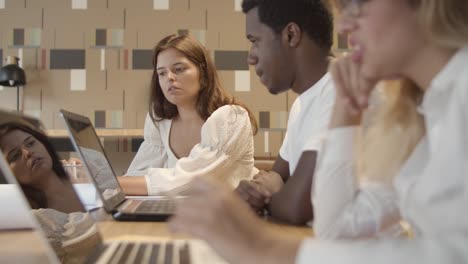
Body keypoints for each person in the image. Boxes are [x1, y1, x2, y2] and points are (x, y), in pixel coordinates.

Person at [169, 0, 468, 263]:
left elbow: (454, 254)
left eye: (360, 2)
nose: (347, 24)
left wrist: (263, 249)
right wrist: (344, 112)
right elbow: (336, 228)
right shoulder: (420, 109)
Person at [234, 0, 336, 226]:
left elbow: (296, 206)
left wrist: (272, 196)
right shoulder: (302, 104)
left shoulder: (340, 90)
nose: (251, 57)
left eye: (255, 41)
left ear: (291, 35)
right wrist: (253, 191)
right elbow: (278, 176)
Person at [120, 34, 258, 196]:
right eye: (162, 73)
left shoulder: (232, 118)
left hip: (231, 216)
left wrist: (106, 183)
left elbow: (192, 180)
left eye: (179, 69)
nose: (169, 78)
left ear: (204, 74)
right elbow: (137, 173)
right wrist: (97, 179)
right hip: (186, 212)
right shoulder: (160, 121)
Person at [0, 122, 84, 213]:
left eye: (30, 143)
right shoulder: (39, 216)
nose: (28, 152)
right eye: (15, 155)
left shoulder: (82, 174)